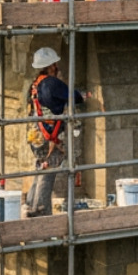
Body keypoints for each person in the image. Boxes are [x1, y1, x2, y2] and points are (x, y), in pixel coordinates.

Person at [24, 46, 86, 217]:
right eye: (55, 64)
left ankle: (30, 203)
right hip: (48, 135)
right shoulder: (51, 83)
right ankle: (41, 209)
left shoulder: (34, 85)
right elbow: (70, 95)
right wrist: (82, 96)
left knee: (41, 166)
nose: (57, 66)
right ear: (51, 65)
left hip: (35, 134)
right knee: (49, 168)